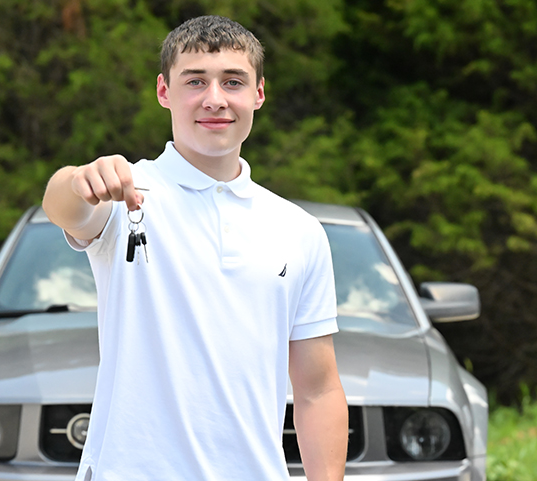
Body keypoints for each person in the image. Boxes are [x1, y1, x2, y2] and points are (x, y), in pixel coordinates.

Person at [42, 15, 347, 481]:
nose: (215, 99)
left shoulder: (298, 229)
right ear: (164, 91)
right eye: (195, 81)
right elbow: (63, 206)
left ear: (259, 94)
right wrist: (77, 179)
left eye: (233, 81)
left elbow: (317, 390)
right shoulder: (125, 192)